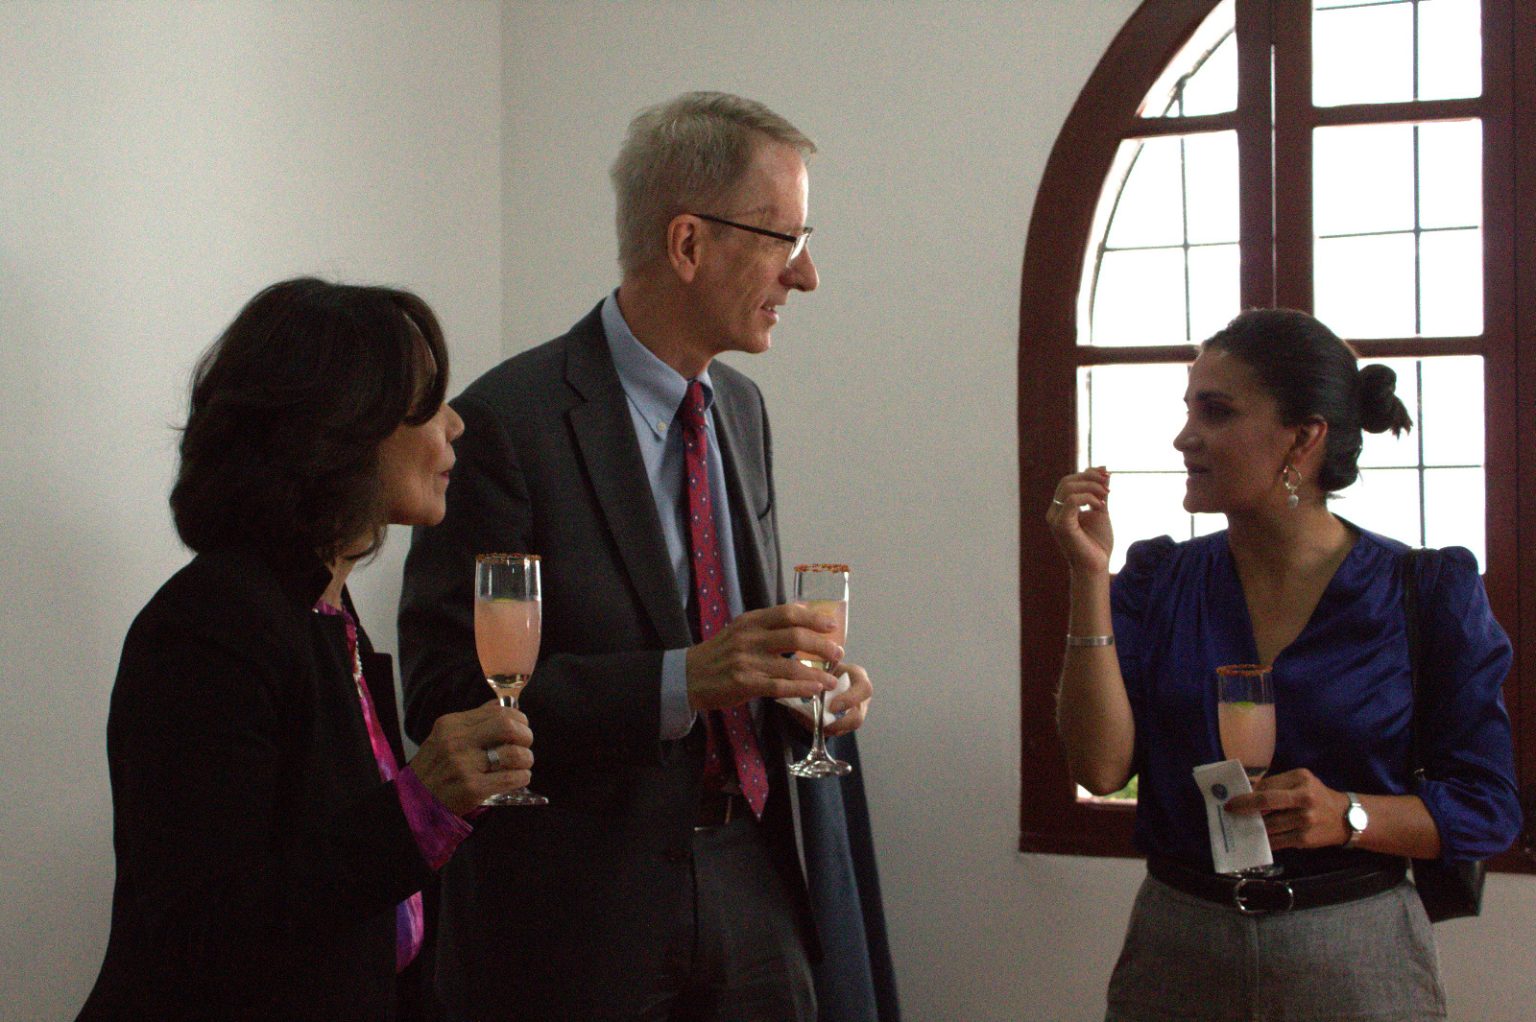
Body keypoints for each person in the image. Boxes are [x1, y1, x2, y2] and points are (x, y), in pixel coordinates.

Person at [399, 91, 898, 1022]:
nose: (806, 275)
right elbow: (445, 699)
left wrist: (808, 687)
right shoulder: (505, 423)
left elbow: (736, 645)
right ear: (688, 244)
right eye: (784, 239)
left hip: (755, 871)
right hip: (577, 914)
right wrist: (682, 681)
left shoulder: (741, 410)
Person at [77, 278, 535, 1022]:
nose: (455, 425)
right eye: (427, 403)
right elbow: (205, 934)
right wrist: (419, 806)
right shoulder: (207, 628)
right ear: (342, 427)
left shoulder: (325, 611)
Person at [1048, 308, 1521, 1021]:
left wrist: (1349, 815)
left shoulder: (1424, 592)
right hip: (1177, 949)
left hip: (1357, 955)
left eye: (1216, 411)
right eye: (1188, 408)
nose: (1184, 436)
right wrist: (1090, 578)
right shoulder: (1157, 580)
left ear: (1304, 437)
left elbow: (1489, 810)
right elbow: (1101, 768)